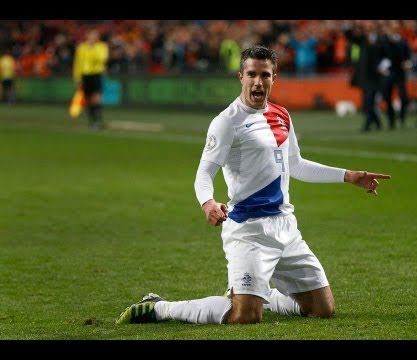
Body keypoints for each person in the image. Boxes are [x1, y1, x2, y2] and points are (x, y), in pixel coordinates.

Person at [115, 45, 391, 326]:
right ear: (241, 77)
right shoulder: (227, 122)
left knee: (323, 309)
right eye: (252, 74)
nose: (258, 82)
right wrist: (208, 202)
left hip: (286, 227)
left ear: (274, 77)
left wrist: (348, 176)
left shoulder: (282, 115)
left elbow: (295, 164)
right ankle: (159, 308)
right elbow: (204, 173)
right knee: (244, 316)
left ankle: (257, 293)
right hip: (249, 230)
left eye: (265, 75)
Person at [72, 28, 109, 129]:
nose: (93, 37)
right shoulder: (81, 48)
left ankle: (98, 120)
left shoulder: (102, 46)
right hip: (85, 75)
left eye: (95, 35)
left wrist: (92, 48)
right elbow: (77, 64)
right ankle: (92, 120)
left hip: (96, 74)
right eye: (91, 35)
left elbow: (102, 59)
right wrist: (77, 78)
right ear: (87, 36)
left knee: (96, 97)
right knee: (88, 98)